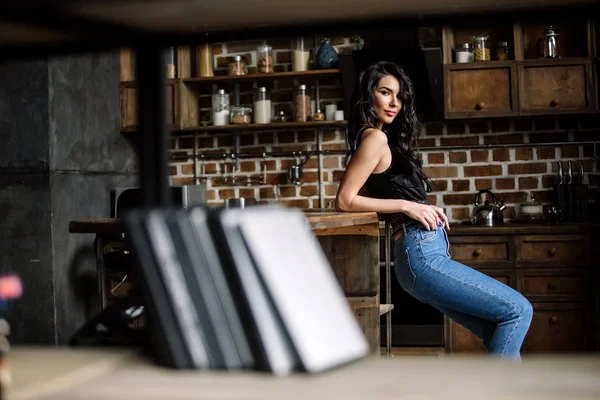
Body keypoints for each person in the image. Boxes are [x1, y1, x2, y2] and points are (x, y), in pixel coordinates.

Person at [335, 61, 532, 360]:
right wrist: (407, 205)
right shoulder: (375, 138)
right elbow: (345, 200)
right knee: (518, 310)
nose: (394, 103)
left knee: (497, 328)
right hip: (421, 253)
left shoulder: (375, 139)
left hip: (423, 253)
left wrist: (408, 203)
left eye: (399, 96)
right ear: (368, 95)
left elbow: (365, 193)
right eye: (385, 92)